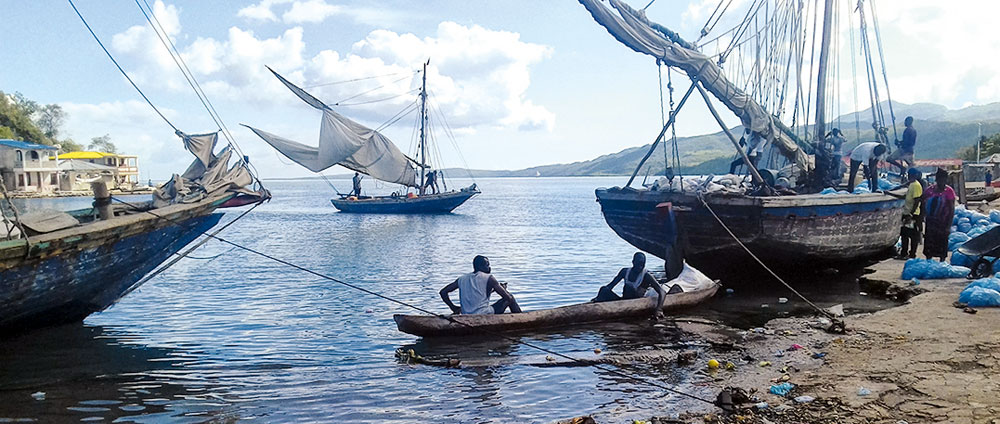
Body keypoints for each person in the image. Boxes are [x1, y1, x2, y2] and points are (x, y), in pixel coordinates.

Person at [592, 252, 666, 319]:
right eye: (638, 264)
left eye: (642, 264)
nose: (640, 267)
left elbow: (662, 292)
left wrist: (659, 309)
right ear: (633, 262)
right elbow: (610, 286)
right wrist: (599, 297)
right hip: (623, 301)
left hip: (636, 303)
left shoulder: (646, 276)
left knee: (630, 288)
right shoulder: (624, 271)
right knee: (604, 289)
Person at [439, 255, 521, 315]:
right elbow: (507, 297)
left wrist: (453, 307)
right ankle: (521, 318)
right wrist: (504, 290)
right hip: (484, 313)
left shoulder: (462, 279)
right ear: (480, 266)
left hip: (465, 314)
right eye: (487, 265)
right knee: (511, 297)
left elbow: (443, 292)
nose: (489, 267)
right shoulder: (489, 278)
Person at [887, 168, 924, 259]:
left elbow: (917, 200)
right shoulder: (911, 184)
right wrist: (891, 193)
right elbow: (905, 196)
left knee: (913, 235)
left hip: (913, 215)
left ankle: (912, 254)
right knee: (904, 234)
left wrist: (911, 214)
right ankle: (904, 253)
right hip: (907, 213)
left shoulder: (916, 185)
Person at [922, 168, 956, 261]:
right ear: (937, 180)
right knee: (930, 242)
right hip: (931, 222)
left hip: (943, 222)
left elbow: (952, 209)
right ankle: (928, 260)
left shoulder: (949, 191)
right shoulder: (929, 190)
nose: (943, 182)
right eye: (941, 180)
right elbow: (922, 202)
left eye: (944, 180)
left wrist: (948, 226)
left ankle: (942, 261)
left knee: (942, 241)